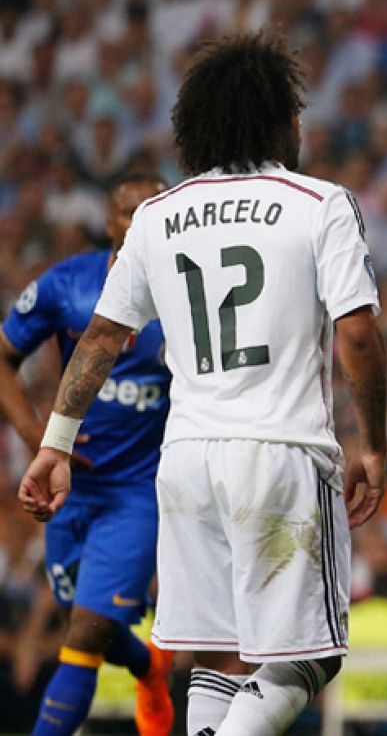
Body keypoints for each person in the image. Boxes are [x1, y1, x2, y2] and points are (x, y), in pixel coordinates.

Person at [18, 30, 387, 736]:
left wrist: (54, 444)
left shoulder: (158, 216)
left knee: (219, 654)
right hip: (280, 452)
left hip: (186, 463)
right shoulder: (319, 202)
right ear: (280, 120)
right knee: (312, 657)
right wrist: (373, 443)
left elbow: (101, 338)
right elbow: (360, 335)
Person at [1, 171, 174, 736]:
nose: (141, 221)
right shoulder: (68, 284)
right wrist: (40, 440)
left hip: (136, 496)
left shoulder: (186, 297)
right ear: (109, 222)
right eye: (130, 211)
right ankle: (148, 667)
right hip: (68, 490)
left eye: (153, 210)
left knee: (81, 638)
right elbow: (3, 356)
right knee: (90, 621)